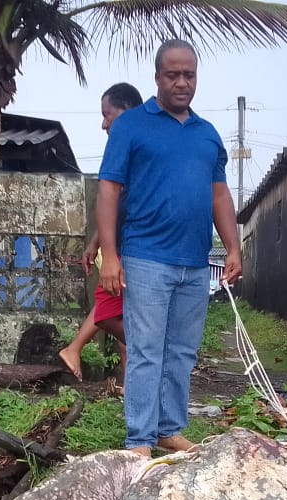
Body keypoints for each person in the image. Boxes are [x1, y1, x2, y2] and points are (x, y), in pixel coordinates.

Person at [96, 40, 242, 457]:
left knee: (181, 352)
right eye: (172, 75)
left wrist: (233, 247)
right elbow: (108, 190)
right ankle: (139, 440)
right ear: (157, 77)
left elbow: (219, 195)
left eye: (188, 75)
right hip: (145, 258)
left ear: (196, 77)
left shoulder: (207, 135)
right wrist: (110, 255)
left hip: (195, 263)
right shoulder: (131, 126)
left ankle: (167, 429)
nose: (181, 83)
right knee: (146, 351)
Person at [58, 83, 143, 388]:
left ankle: (138, 372)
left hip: (137, 248)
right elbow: (112, 201)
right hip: (119, 248)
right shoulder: (122, 148)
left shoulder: (142, 145)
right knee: (114, 311)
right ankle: (135, 382)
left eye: (108, 115)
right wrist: (97, 243)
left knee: (113, 312)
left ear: (128, 111)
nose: (103, 124)